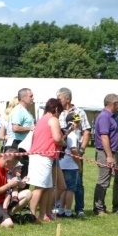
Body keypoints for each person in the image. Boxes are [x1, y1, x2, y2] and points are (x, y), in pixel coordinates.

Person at [56, 88, 91, 217]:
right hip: (60, 153)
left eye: (60, 98)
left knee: (78, 183)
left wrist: (81, 150)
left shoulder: (79, 112)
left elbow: (86, 131)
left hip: (75, 151)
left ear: (68, 99)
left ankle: (79, 208)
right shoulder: (57, 112)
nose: (58, 101)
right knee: (61, 182)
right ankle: (59, 207)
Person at [0, 148, 33, 228]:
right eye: (13, 164)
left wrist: (20, 181)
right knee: (9, 225)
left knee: (28, 193)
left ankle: (9, 214)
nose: (13, 167)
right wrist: (9, 185)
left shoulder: (5, 166)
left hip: (3, 199)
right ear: (8, 161)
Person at [28, 98, 63, 222]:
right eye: (60, 112)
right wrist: (63, 142)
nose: (59, 115)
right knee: (40, 187)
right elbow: (57, 138)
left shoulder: (42, 119)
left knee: (47, 187)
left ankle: (43, 215)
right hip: (42, 156)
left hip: (43, 156)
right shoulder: (53, 119)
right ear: (56, 109)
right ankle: (31, 215)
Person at [93, 94, 118, 216]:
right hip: (104, 153)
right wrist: (109, 156)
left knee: (106, 181)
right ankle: (98, 208)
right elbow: (104, 137)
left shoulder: (110, 116)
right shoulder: (104, 117)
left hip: (109, 152)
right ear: (114, 104)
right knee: (103, 181)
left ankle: (102, 206)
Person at [57, 112, 82, 217]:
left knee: (63, 188)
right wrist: (79, 165)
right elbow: (74, 151)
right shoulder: (72, 135)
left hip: (62, 164)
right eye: (77, 122)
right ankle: (68, 212)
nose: (79, 124)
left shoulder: (65, 133)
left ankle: (61, 210)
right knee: (70, 189)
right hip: (70, 166)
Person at [10, 88, 36, 176]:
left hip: (26, 145)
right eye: (31, 96)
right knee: (20, 174)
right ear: (23, 98)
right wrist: (32, 128)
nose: (33, 98)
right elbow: (15, 128)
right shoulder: (18, 110)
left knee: (26, 174)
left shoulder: (26, 111)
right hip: (19, 144)